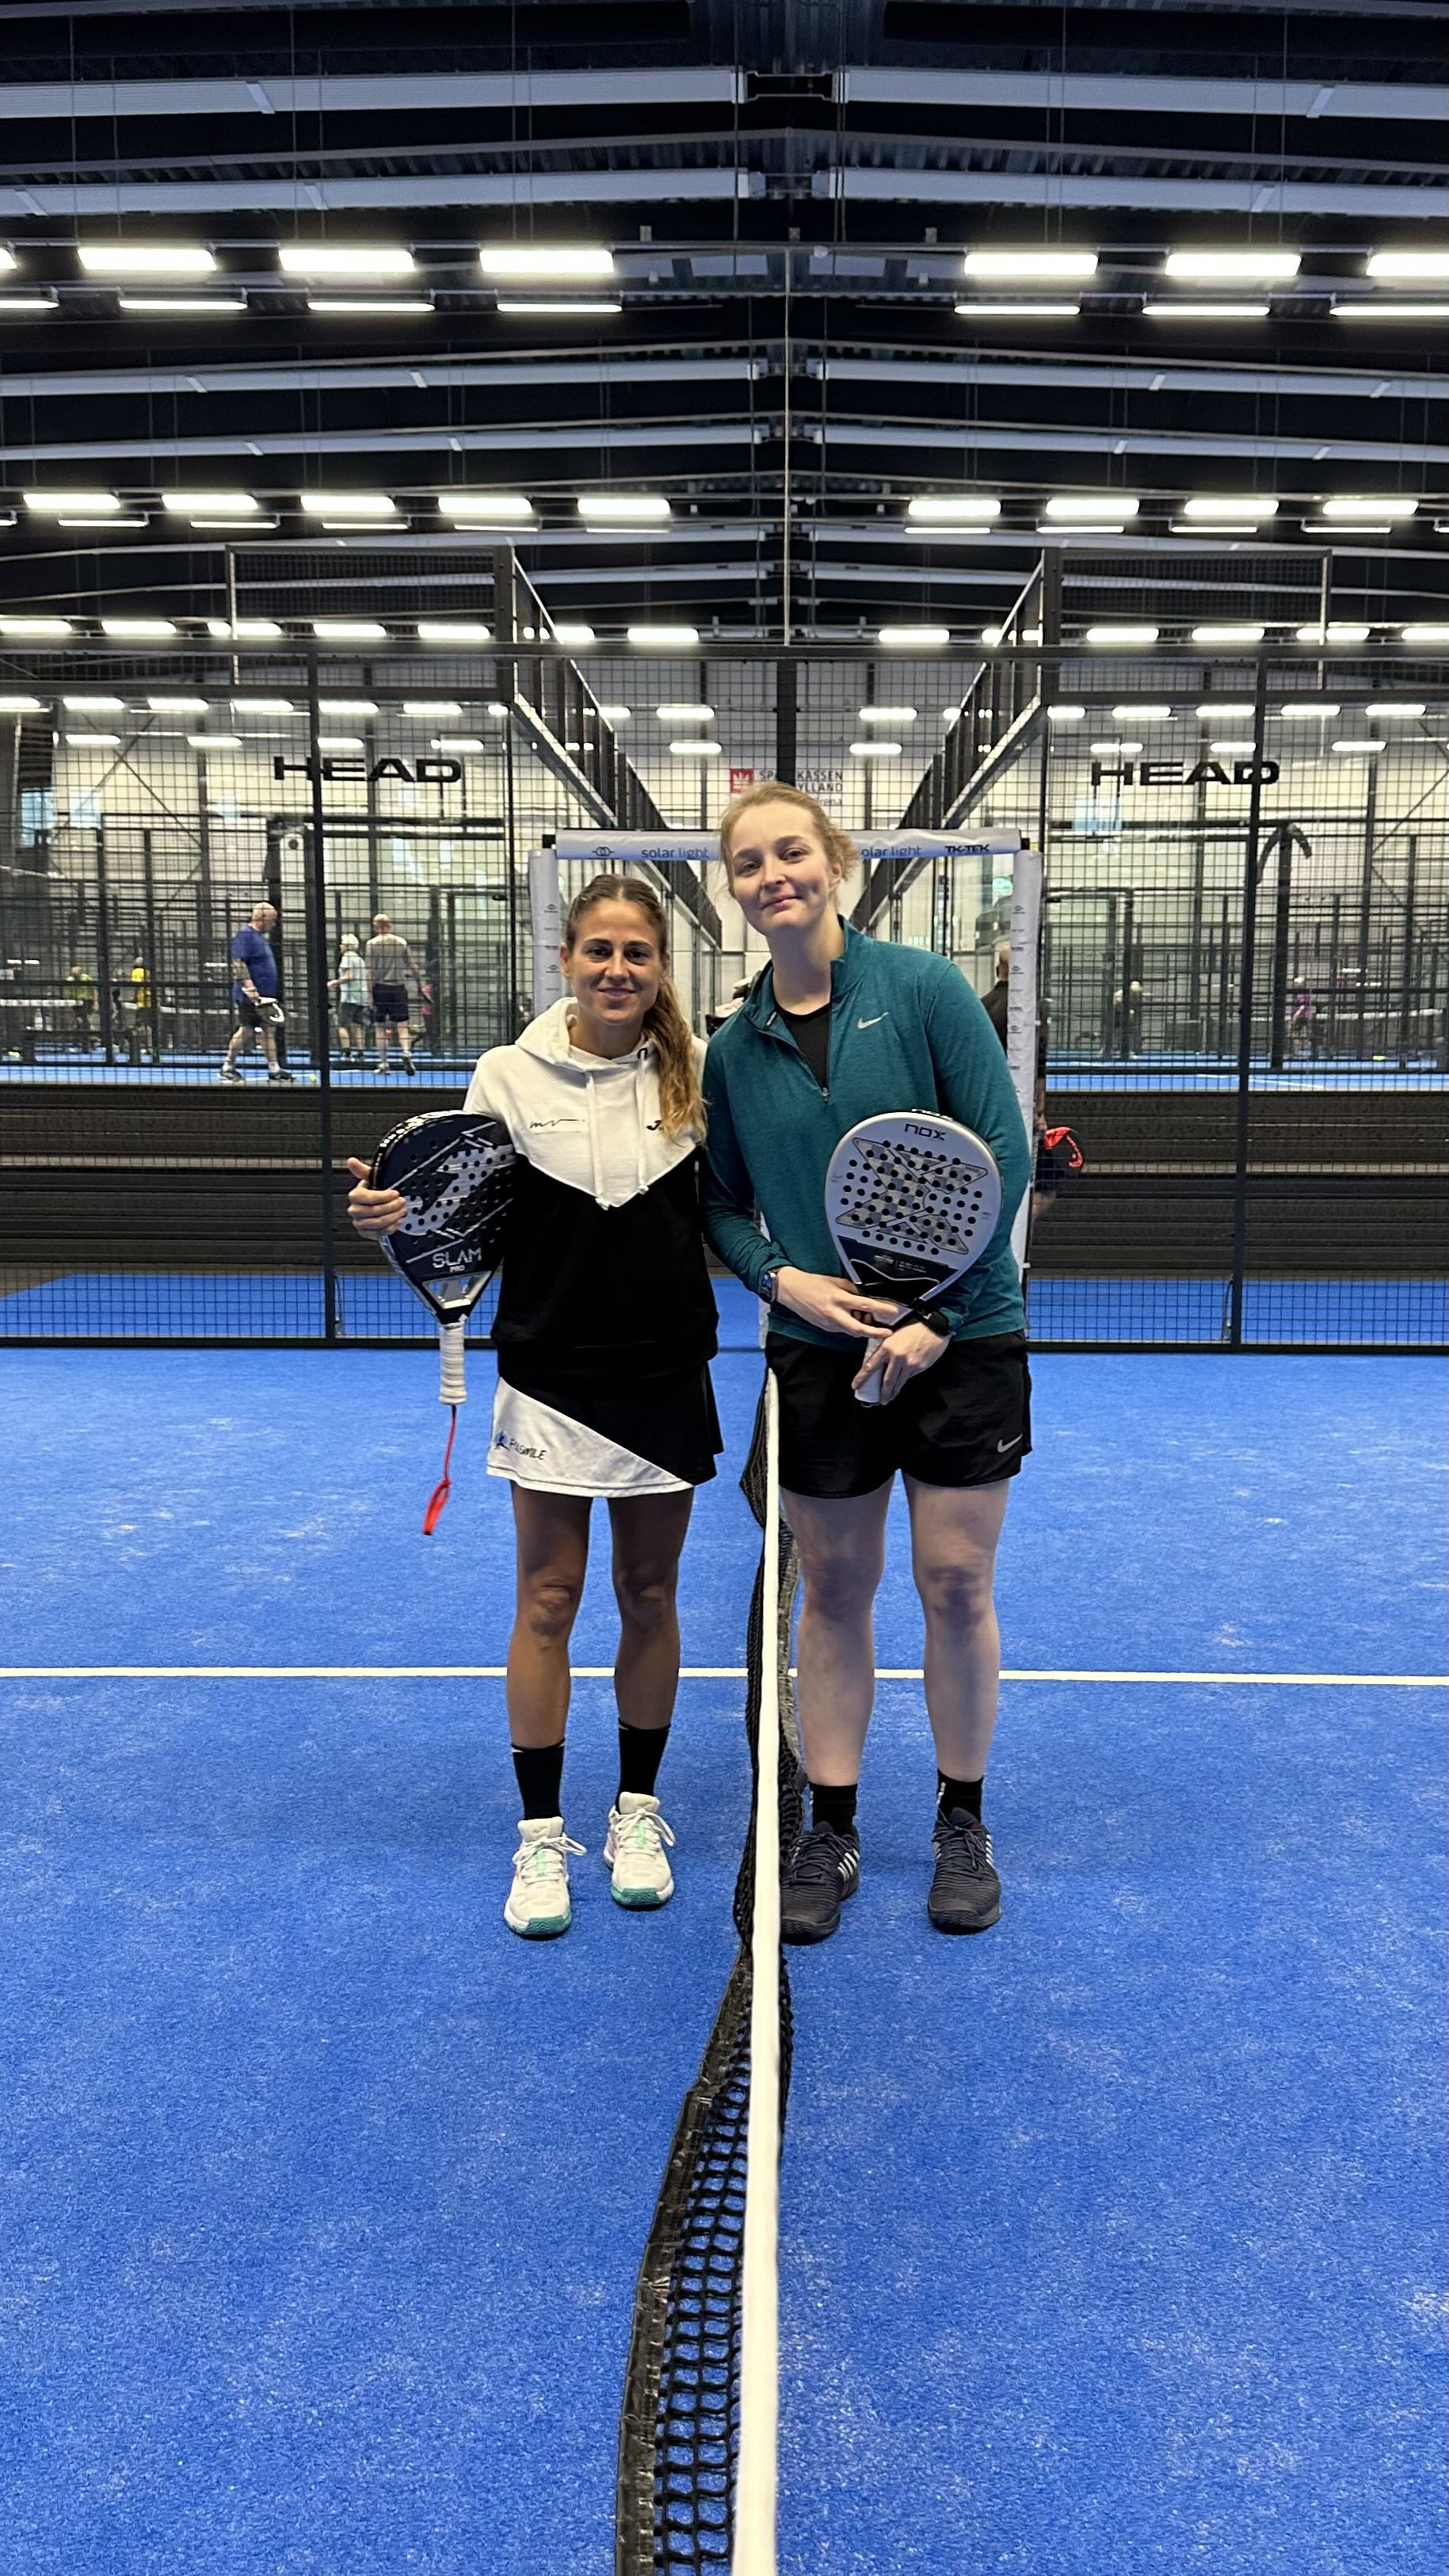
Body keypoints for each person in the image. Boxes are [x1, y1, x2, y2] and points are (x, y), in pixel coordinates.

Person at [345, 874, 719, 1942]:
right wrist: (388, 1217)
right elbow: (455, 1214)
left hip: (663, 1373)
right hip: (548, 1373)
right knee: (548, 1600)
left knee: (649, 1592)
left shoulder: (698, 1074)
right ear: (565, 960)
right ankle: (541, 1834)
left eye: (637, 953)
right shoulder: (505, 1074)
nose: (617, 969)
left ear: (661, 968)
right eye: (598, 950)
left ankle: (636, 1812)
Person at [702, 783, 1031, 1944]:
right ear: (734, 891)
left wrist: (938, 1315)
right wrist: (778, 1281)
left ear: (833, 862)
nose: (773, 875)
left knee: (955, 1582)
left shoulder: (925, 990)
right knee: (834, 1589)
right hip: (817, 1355)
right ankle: (830, 1828)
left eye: (791, 851)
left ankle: (960, 1822)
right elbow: (720, 1205)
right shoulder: (732, 1049)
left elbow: (1002, 1154)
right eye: (749, 863)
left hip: (963, 1340)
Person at [220, 901, 293, 1085]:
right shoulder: (246, 935)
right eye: (272, 920)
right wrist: (250, 987)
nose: (274, 925)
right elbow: (239, 962)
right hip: (250, 995)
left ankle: (274, 1069)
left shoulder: (259, 938)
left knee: (269, 1029)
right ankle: (228, 1066)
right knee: (247, 1029)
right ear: (262, 918)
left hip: (265, 996)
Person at [364, 913, 421, 1075]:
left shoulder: (372, 944)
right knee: (402, 1026)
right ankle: (406, 1052)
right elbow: (413, 966)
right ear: (389, 925)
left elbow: (371, 971)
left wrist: (370, 994)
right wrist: (420, 984)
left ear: (376, 927)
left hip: (380, 988)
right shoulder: (401, 942)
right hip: (398, 988)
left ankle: (384, 1063)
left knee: (380, 1028)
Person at [330, 933, 369, 1060]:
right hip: (361, 996)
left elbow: (350, 976)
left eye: (342, 944)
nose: (340, 946)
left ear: (346, 946)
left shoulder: (347, 957)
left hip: (349, 996)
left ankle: (346, 1051)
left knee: (341, 1024)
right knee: (358, 1024)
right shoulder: (359, 959)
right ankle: (361, 1051)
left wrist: (334, 982)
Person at [65, 960, 96, 1050]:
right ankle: (86, 1042)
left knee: (86, 1021)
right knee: (80, 1022)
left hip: (87, 1002)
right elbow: (67, 994)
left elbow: (94, 991)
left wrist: (95, 1002)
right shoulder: (69, 980)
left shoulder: (87, 978)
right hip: (76, 1003)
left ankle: (89, 1042)